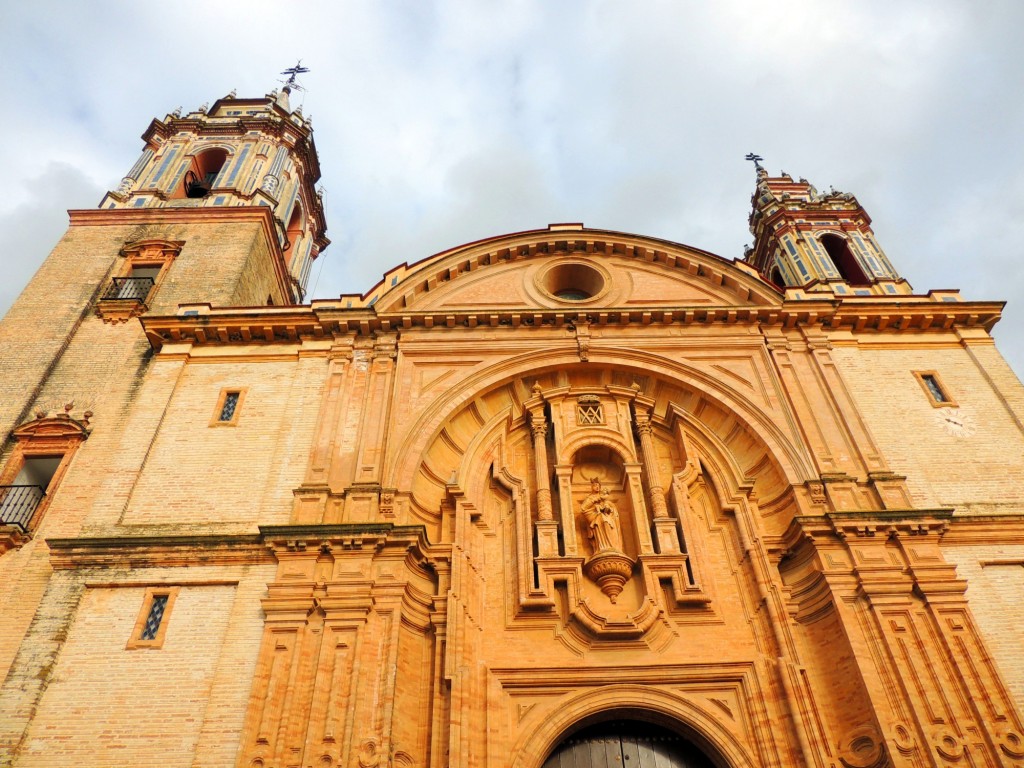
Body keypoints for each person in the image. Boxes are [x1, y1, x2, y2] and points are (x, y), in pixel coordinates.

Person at [580, 478, 623, 553]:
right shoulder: (590, 498)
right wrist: (596, 500)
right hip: (596, 517)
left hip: (606, 516)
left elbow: (611, 507)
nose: (597, 487)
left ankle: (612, 546)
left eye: (598, 485)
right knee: (601, 520)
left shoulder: (604, 496)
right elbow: (583, 508)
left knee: (607, 522)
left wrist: (608, 508)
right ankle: (602, 546)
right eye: (595, 485)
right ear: (592, 487)